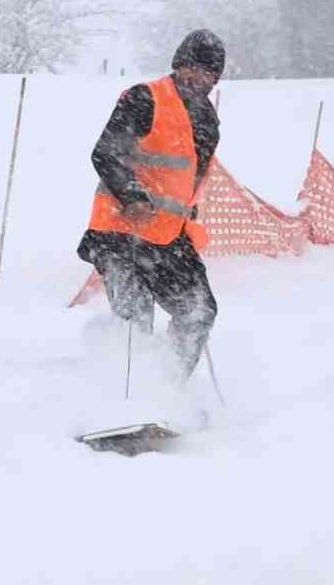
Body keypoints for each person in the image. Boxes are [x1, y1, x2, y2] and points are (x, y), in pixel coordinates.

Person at [76, 29, 223, 382]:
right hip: (118, 231)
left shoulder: (208, 120)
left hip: (168, 236)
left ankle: (164, 392)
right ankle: (121, 401)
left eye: (209, 73)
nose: (199, 78)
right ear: (177, 65)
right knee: (134, 316)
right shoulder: (145, 98)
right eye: (193, 68)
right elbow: (106, 152)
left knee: (199, 311)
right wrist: (132, 195)